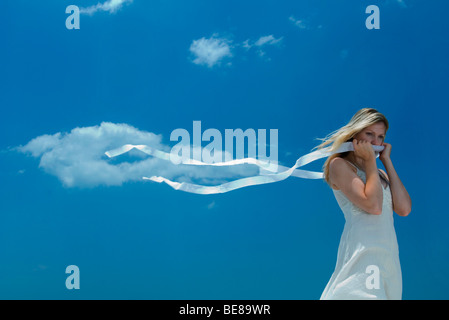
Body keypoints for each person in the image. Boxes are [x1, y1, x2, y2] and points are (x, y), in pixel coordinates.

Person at [314, 108, 412, 300]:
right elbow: (373, 205)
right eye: (369, 134)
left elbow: (404, 208)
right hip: (363, 256)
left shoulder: (379, 174)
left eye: (380, 137)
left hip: (388, 258)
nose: (375, 142)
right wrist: (369, 162)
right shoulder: (339, 165)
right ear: (355, 134)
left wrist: (387, 161)